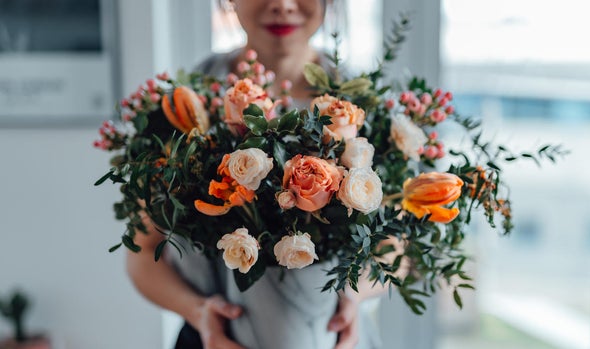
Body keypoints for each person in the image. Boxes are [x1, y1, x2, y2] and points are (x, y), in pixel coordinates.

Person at [126, 1, 407, 348]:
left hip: (333, 338)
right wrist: (197, 311)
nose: (282, 5)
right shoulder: (183, 107)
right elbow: (143, 251)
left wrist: (352, 296)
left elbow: (398, 245)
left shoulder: (364, 105)